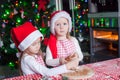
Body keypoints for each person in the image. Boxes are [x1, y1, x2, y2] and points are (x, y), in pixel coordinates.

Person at [10, 22, 79, 77]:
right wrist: (67, 66)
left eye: (39, 43)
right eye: (34, 44)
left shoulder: (34, 55)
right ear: (25, 46)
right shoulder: (28, 59)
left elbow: (46, 65)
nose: (37, 46)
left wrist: (62, 61)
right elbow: (47, 72)